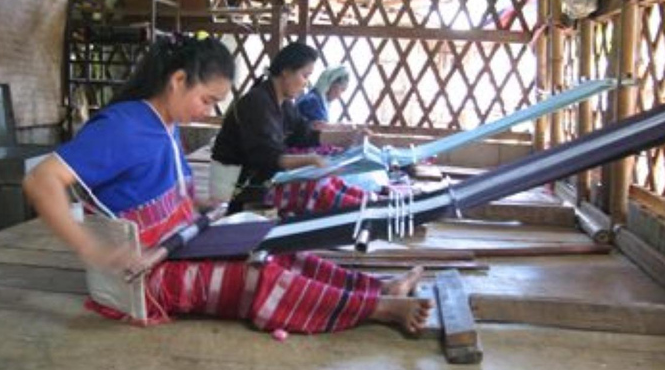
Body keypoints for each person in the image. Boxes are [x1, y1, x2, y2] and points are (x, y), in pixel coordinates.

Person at [23, 36, 432, 332]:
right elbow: (41, 181)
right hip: (145, 275)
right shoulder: (124, 126)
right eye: (206, 99)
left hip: (179, 246)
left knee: (273, 248)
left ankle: (379, 287)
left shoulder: (164, 126)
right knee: (259, 278)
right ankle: (378, 308)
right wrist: (90, 246)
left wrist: (200, 207)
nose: (209, 110)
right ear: (178, 80)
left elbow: (154, 189)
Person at [210, 43, 366, 215]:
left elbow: (305, 134)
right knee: (316, 184)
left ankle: (368, 204)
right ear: (286, 71)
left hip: (259, 176)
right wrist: (310, 160)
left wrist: (349, 136)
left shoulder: (283, 104)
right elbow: (266, 156)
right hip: (238, 185)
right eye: (305, 75)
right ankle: (360, 210)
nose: (306, 83)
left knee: (324, 178)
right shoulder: (257, 102)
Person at [296, 64, 350, 129]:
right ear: (330, 83)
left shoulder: (319, 101)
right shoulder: (312, 101)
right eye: (341, 89)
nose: (339, 95)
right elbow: (317, 128)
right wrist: (342, 127)